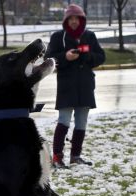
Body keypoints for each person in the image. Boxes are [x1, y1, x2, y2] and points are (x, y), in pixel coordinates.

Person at [45, 3, 105, 168]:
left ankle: (75, 156)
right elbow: (49, 59)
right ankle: (57, 157)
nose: (73, 22)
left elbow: (101, 57)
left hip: (85, 85)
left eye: (76, 18)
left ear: (82, 20)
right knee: (64, 120)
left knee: (81, 122)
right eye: (70, 19)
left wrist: (86, 56)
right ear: (65, 20)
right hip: (67, 86)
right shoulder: (58, 37)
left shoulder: (90, 36)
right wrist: (65, 57)